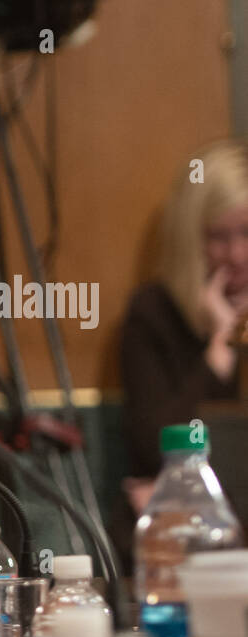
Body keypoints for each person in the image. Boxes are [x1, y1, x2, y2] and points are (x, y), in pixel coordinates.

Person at [117, 140, 248, 564]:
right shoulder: (153, 312)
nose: (237, 255)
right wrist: (220, 349)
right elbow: (156, 446)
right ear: (191, 238)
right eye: (218, 237)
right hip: (177, 540)